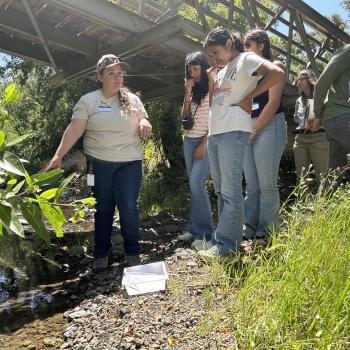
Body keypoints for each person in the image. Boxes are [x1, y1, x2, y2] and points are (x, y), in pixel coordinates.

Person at [45, 54, 152, 271]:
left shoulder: (132, 99)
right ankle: (101, 253)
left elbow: (143, 117)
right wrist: (58, 156)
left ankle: (133, 253)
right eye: (111, 73)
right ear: (99, 77)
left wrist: (144, 121)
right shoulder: (89, 101)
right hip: (99, 165)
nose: (117, 77)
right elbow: (75, 129)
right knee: (103, 209)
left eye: (119, 72)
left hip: (129, 163)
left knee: (128, 207)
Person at [199, 27, 284, 258]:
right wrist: (210, 80)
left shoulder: (246, 58)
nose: (214, 58)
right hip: (216, 132)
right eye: (210, 55)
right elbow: (214, 101)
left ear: (228, 43)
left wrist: (250, 96)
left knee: (230, 191)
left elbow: (276, 73)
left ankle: (229, 247)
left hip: (234, 132)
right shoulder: (221, 69)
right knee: (220, 190)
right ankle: (221, 242)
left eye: (216, 52)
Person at [242, 29, 287, 245]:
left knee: (267, 184)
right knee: (251, 184)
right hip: (249, 127)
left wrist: (255, 128)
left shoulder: (275, 67)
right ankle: (249, 226)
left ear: (261, 45)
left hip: (269, 126)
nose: (245, 50)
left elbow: (273, 103)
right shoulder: (248, 72)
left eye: (248, 45)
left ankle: (267, 231)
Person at [177, 51, 213, 250]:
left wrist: (205, 142)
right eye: (190, 70)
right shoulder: (192, 89)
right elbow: (184, 117)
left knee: (196, 184)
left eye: (196, 69)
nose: (193, 73)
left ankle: (206, 232)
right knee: (193, 187)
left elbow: (216, 118)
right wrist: (187, 95)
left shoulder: (212, 88)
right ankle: (193, 227)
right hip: (189, 141)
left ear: (204, 68)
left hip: (204, 141)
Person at [311, 44, 350, 183]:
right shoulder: (348, 51)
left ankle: (322, 203)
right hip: (341, 116)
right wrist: (317, 114)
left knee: (334, 173)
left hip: (339, 119)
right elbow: (323, 82)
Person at [292, 69, 329, 184]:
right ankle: (302, 201)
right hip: (300, 139)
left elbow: (326, 116)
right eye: (297, 79)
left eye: (302, 78)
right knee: (301, 177)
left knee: (322, 176)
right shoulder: (299, 100)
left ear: (310, 80)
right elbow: (296, 118)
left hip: (318, 138)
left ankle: (323, 201)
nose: (299, 81)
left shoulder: (321, 96)